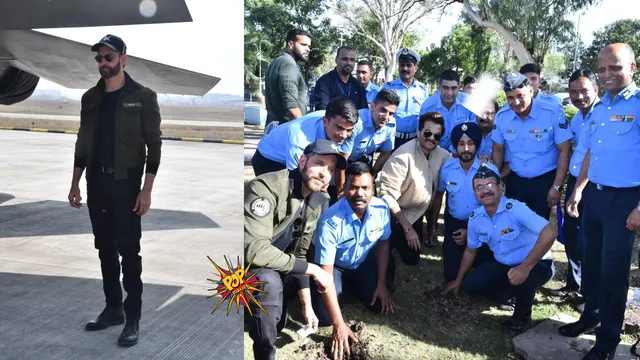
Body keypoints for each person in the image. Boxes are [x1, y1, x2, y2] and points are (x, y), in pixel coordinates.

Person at [67, 34, 162, 347]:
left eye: (108, 58)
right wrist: (75, 182)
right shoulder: (90, 99)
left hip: (126, 186)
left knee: (129, 253)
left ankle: (132, 317)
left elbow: (154, 145)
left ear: (123, 58)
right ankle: (113, 309)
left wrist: (146, 190)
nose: (102, 63)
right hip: (97, 186)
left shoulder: (143, 96)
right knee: (104, 249)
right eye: (99, 58)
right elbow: (83, 142)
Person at [560, 43, 640, 360]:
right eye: (603, 69)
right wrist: (579, 190)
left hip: (624, 201)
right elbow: (593, 152)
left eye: (615, 67)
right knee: (590, 264)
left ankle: (607, 342)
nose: (607, 74)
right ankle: (590, 316)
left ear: (632, 68)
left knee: (613, 273)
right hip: (594, 196)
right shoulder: (601, 107)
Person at [245, 139, 356, 360]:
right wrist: (315, 270)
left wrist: (307, 306)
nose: (325, 173)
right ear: (302, 161)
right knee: (269, 283)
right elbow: (255, 250)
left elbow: (299, 254)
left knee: (276, 322)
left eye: (331, 169)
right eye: (320, 163)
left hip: (276, 266)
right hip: (242, 267)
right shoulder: (266, 187)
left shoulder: (318, 199)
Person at [443, 162, 557, 333]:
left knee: (526, 278)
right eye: (479, 187)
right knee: (472, 284)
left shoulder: (516, 209)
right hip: (504, 265)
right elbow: (470, 250)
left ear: (500, 187)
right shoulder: (476, 218)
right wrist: (458, 280)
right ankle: (511, 295)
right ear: (475, 193)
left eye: (490, 184)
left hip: (536, 263)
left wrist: (525, 267)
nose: (485, 190)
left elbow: (550, 231)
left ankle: (521, 317)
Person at [311, 162, 395, 329]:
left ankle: (353, 286)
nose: (360, 194)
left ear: (373, 188)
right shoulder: (330, 220)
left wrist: (381, 283)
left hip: (362, 262)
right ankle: (344, 286)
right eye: (353, 187)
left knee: (378, 305)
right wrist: (339, 324)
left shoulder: (382, 208)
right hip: (335, 266)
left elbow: (384, 245)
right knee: (326, 318)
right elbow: (325, 271)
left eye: (365, 187)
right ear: (343, 187)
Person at [492, 72, 572, 220]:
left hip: (544, 182)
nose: (515, 102)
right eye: (510, 97)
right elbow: (498, 148)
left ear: (530, 91)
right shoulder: (502, 117)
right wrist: (495, 177)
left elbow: (565, 151)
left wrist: (557, 186)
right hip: (515, 181)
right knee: (512, 226)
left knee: (539, 230)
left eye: (520, 96)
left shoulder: (552, 113)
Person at [379, 112, 450, 265]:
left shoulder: (443, 155)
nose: (432, 138)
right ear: (418, 132)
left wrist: (432, 229)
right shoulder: (402, 157)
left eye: (437, 136)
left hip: (419, 211)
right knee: (400, 255)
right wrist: (407, 229)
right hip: (398, 214)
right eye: (428, 133)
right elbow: (387, 196)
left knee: (412, 259)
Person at [551, 69, 599, 299]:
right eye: (573, 92)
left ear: (596, 90)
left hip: (591, 186)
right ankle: (573, 285)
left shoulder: (601, 115)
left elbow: (595, 155)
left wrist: (578, 189)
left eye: (584, 91)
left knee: (588, 240)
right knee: (571, 235)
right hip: (574, 182)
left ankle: (588, 294)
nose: (578, 96)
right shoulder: (578, 117)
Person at [431, 122, 494, 281]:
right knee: (450, 275)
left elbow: (495, 207)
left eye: (470, 143)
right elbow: (439, 196)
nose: (466, 148)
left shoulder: (489, 170)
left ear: (477, 145)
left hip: (482, 224)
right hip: (455, 224)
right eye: (461, 144)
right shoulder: (447, 168)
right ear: (455, 146)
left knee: (485, 269)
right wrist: (432, 227)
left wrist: (471, 232)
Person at [252, 97, 360, 177]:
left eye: (349, 130)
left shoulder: (342, 121)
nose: (344, 135)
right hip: (268, 160)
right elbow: (296, 177)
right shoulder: (300, 139)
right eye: (340, 128)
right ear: (325, 121)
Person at [263, 28, 311, 133]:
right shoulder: (288, 65)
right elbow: (292, 108)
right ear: (290, 44)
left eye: (309, 46)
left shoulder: (277, 62)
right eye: (303, 45)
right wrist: (305, 132)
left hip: (274, 129)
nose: (308, 49)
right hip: (285, 131)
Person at [381, 48, 429, 150]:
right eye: (402, 65)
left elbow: (426, 115)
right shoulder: (388, 87)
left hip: (414, 140)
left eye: (409, 65)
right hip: (392, 139)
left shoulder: (423, 90)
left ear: (415, 68)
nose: (405, 68)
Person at [420, 70, 475, 151]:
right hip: (434, 152)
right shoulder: (428, 107)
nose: (449, 93)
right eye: (445, 88)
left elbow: (475, 131)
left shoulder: (469, 102)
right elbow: (422, 137)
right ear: (439, 87)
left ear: (459, 87)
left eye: (453, 88)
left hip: (461, 152)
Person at [348, 89, 400, 175]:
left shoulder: (391, 125)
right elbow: (342, 156)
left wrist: (373, 173)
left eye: (391, 113)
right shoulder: (356, 122)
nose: (386, 117)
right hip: (343, 160)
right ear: (372, 106)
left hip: (363, 160)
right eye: (383, 110)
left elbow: (385, 153)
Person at [314, 46, 368, 111]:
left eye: (352, 60)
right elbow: (322, 111)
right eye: (345, 59)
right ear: (336, 60)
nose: (349, 63)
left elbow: (364, 112)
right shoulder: (324, 82)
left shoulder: (358, 85)